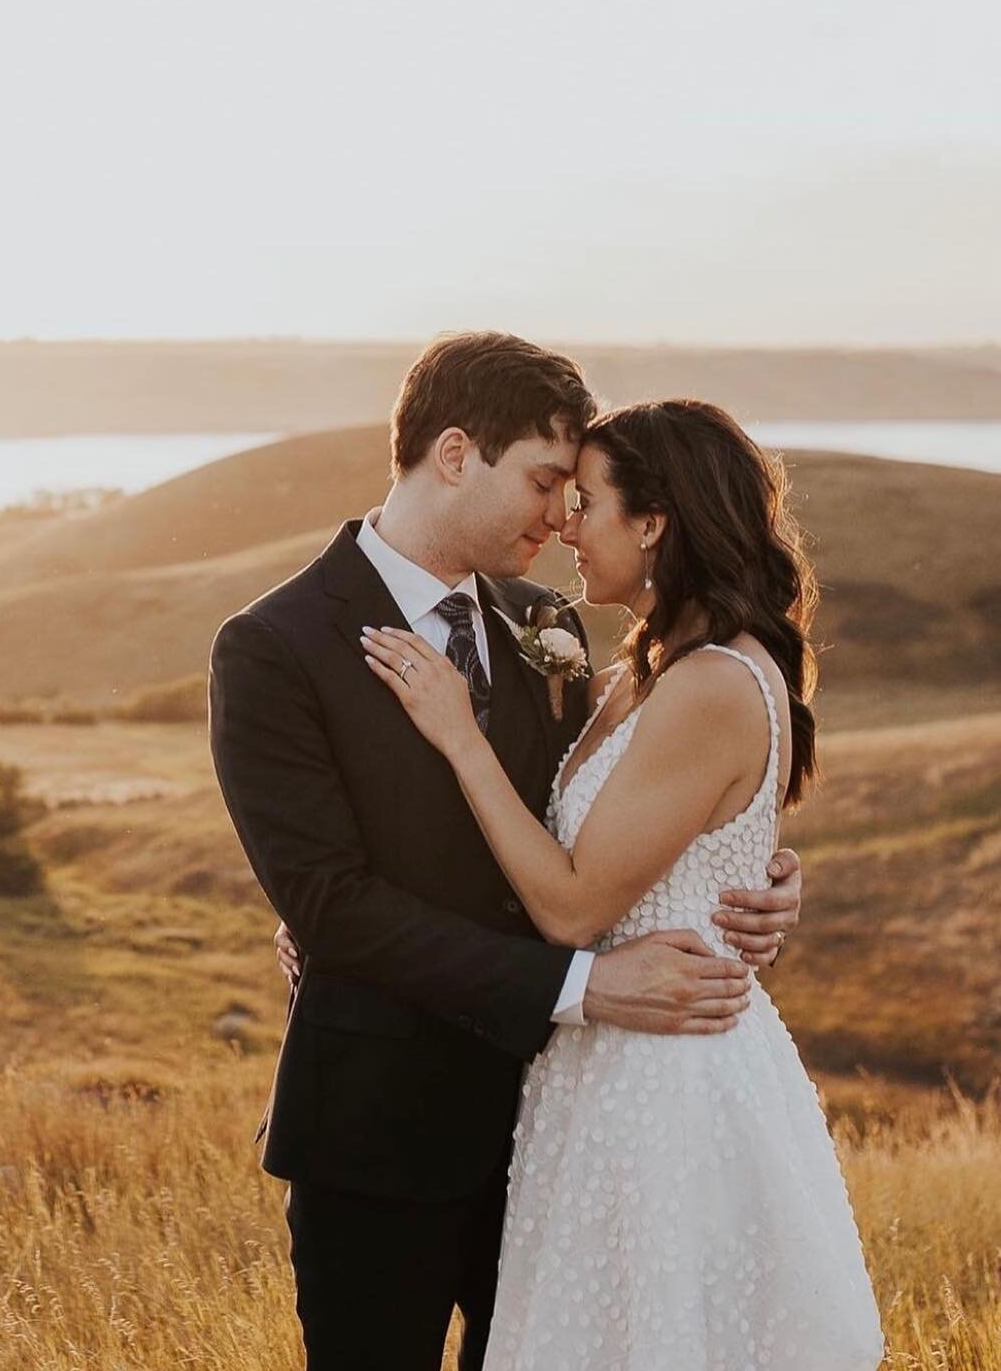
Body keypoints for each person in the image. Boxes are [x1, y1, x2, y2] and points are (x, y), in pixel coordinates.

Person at [208, 333, 805, 1371]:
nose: (560, 516)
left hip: (563, 1131)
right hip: (378, 1135)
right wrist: (583, 986)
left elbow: (615, 821)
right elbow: (334, 906)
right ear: (452, 455)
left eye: (575, 493)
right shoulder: (276, 646)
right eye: (542, 482)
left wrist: (750, 876)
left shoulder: (550, 624)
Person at [359, 396, 884, 1370]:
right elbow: (662, 837)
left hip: (666, 1072)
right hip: (601, 1060)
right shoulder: (638, 671)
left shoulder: (714, 684)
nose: (564, 522)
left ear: (654, 524)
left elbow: (571, 904)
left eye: (588, 501)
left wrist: (457, 734)